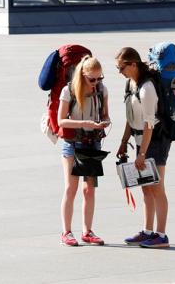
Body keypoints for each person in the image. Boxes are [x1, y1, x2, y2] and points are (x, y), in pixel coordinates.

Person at [114, 47, 171, 249]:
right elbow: (131, 118)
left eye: (121, 68)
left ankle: (161, 235)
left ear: (133, 64)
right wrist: (123, 142)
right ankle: (147, 231)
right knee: (146, 188)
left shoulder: (147, 89)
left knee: (157, 189)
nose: (119, 72)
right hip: (141, 141)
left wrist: (143, 154)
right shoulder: (131, 84)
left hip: (155, 141)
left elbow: (149, 124)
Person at [56, 55, 109, 247]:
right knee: (71, 188)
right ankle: (66, 232)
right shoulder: (68, 90)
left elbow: (106, 115)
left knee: (89, 190)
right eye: (92, 79)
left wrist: (104, 123)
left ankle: (87, 231)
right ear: (82, 74)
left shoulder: (102, 90)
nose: (96, 82)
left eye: (99, 78)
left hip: (93, 143)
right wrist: (84, 123)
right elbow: (61, 120)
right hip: (72, 143)